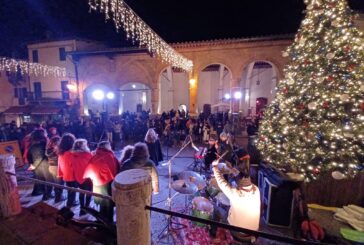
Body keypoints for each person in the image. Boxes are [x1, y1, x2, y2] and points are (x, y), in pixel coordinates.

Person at [212, 159, 260, 234]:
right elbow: (241, 176)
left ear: (239, 184)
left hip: (237, 231)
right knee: (230, 205)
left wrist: (215, 167)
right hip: (254, 230)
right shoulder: (256, 189)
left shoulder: (236, 194)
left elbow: (221, 182)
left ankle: (213, 233)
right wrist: (231, 168)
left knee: (216, 208)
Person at [83, 141, 119, 222]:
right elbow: (114, 170)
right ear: (107, 147)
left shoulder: (95, 155)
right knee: (108, 204)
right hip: (107, 183)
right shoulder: (109, 155)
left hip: (97, 183)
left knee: (102, 204)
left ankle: (101, 221)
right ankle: (108, 223)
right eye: (109, 145)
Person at [27, 129, 52, 200]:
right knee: (48, 181)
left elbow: (29, 156)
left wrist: (31, 165)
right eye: (45, 133)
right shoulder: (41, 144)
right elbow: (39, 157)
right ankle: (46, 196)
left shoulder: (33, 145)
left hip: (37, 166)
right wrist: (33, 166)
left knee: (40, 180)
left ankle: (38, 192)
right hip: (43, 166)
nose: (47, 134)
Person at [71, 139, 93, 216]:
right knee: (89, 192)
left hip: (78, 177)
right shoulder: (87, 155)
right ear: (83, 146)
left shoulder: (73, 154)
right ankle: (87, 207)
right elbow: (91, 164)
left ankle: (82, 208)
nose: (87, 145)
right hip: (87, 177)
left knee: (81, 192)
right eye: (85, 144)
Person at [57, 133, 77, 207]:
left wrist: (60, 174)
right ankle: (70, 204)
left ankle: (71, 202)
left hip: (65, 175)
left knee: (70, 190)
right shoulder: (71, 153)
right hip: (72, 175)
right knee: (72, 191)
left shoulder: (61, 152)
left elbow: (59, 164)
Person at [45, 135, 65, 203]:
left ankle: (57, 197)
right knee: (59, 184)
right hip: (57, 167)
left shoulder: (48, 149)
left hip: (51, 166)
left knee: (55, 183)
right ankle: (58, 198)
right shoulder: (57, 149)